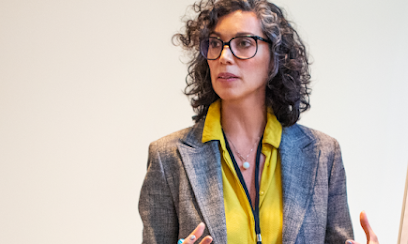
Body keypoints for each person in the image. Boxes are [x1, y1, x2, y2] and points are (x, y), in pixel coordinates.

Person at [138, 0, 379, 243]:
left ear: (275, 58)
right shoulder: (167, 157)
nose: (224, 56)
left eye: (243, 43)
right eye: (214, 43)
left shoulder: (323, 154)